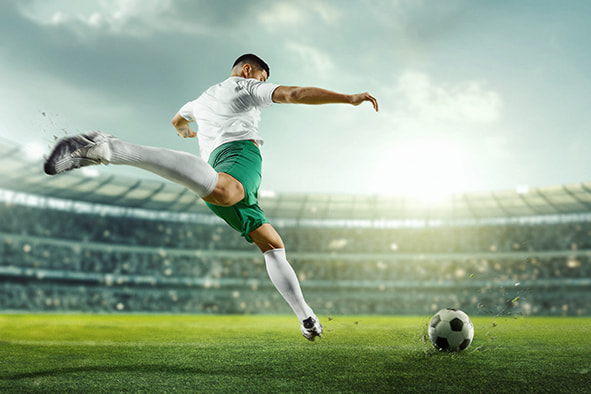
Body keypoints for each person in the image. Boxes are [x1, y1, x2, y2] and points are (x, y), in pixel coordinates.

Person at [43, 53, 378, 341]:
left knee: (271, 243)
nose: (262, 83)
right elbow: (294, 93)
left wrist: (183, 129)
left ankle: (306, 317)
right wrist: (348, 98)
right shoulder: (244, 85)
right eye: (262, 77)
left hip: (213, 166)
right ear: (248, 70)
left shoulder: (201, 99)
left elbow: (178, 117)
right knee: (226, 191)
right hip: (239, 156)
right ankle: (107, 148)